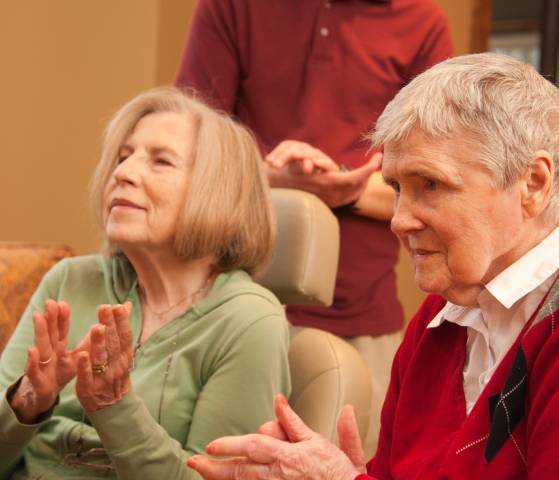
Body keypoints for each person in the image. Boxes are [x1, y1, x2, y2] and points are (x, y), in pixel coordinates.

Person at [184, 53, 559, 479]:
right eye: (397, 187)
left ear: (533, 184)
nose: (400, 220)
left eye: (430, 184)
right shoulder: (440, 319)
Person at [175, 0, 453, 456]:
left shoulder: (421, 20)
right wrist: (271, 179)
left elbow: (438, 182)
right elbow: (189, 150)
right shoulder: (230, 7)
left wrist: (344, 191)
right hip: (223, 301)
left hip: (364, 315)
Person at [0, 87, 291, 479]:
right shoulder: (70, 280)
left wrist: (114, 407)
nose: (122, 172)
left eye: (160, 162)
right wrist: (28, 403)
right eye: (123, 157)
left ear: (218, 192)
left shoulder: (249, 322)